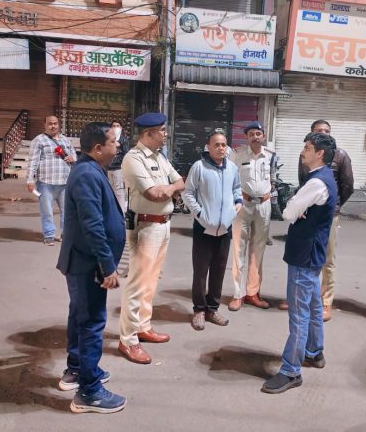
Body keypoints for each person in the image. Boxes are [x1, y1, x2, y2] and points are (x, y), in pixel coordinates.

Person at [56, 122, 126, 414]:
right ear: (98, 148)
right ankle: (89, 392)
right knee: (91, 323)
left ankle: (77, 369)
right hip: (88, 263)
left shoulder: (90, 168)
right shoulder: (86, 173)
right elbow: (92, 225)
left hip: (84, 260)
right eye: (113, 142)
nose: (117, 145)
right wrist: (107, 266)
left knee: (80, 316)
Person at [262, 133, 337, 394]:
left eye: (307, 148)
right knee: (314, 305)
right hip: (312, 253)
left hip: (304, 255)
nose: (303, 151)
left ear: (320, 153)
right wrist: (297, 206)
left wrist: (295, 206)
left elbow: (288, 212)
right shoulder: (324, 177)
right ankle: (314, 351)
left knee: (299, 314)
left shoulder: (316, 182)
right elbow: (296, 210)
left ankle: (291, 370)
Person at [118, 113, 184, 364]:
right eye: (162, 130)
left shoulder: (159, 157)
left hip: (163, 225)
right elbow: (154, 194)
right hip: (145, 226)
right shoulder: (133, 159)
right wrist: (169, 189)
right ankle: (127, 340)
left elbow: (180, 182)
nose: (166, 134)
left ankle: (142, 326)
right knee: (137, 284)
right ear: (149, 133)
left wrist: (170, 188)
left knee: (151, 280)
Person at [280, 120, 353, 321]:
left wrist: (332, 206)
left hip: (327, 213)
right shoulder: (307, 157)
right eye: (319, 131)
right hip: (309, 209)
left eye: (327, 131)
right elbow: (303, 183)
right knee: (310, 258)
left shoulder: (341, 156)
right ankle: (303, 298)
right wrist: (303, 204)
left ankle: (326, 302)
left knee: (326, 259)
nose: (324, 133)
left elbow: (347, 185)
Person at [183, 129, 243, 331]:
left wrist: (237, 205)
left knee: (219, 270)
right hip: (203, 228)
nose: (220, 148)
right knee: (201, 271)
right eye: (216, 144)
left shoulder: (232, 168)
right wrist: (200, 214)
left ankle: (212, 309)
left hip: (225, 228)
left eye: (223, 144)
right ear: (208, 147)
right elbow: (188, 193)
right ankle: (199, 309)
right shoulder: (199, 167)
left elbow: (236, 188)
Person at [228, 121, 276, 311]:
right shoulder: (237, 154)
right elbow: (230, 179)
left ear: (263, 136)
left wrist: (269, 193)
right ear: (246, 138)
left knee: (258, 250)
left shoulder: (271, 155)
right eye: (251, 134)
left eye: (258, 133)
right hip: (243, 204)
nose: (255, 137)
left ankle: (252, 293)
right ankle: (237, 294)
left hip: (263, 206)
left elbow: (273, 178)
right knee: (238, 249)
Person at [26, 116, 76, 246]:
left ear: (59, 125)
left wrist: (72, 158)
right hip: (46, 183)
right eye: (50, 124)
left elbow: (74, 155)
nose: (53, 126)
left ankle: (66, 234)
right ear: (45, 125)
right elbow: (33, 161)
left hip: (65, 183)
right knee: (47, 211)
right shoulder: (39, 140)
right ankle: (49, 235)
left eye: (55, 123)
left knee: (67, 212)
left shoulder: (65, 140)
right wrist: (30, 180)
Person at [107, 121, 130, 211]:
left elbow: (126, 154)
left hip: (118, 168)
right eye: (113, 126)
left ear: (121, 128)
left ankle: (121, 212)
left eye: (117, 126)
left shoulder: (123, 139)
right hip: (109, 168)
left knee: (119, 191)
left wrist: (117, 161)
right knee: (110, 190)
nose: (115, 127)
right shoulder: (109, 138)